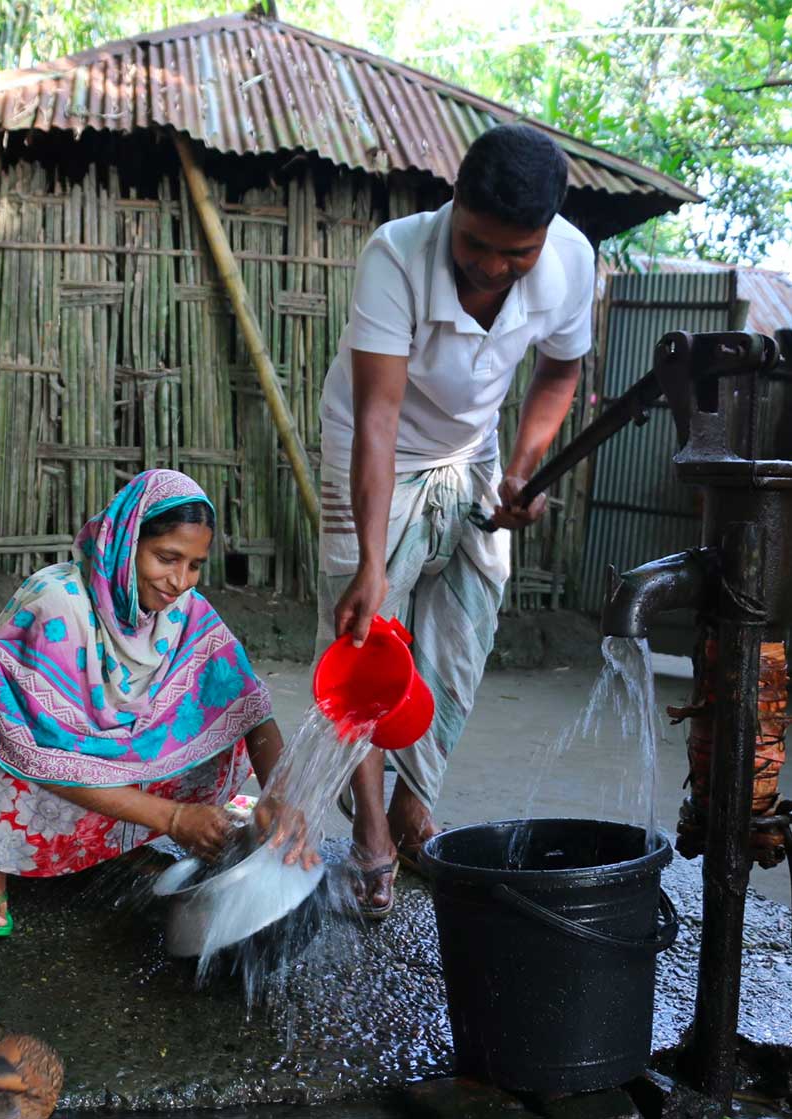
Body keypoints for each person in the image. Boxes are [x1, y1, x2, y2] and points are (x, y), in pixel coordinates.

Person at [316, 124, 596, 916]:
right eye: (478, 244)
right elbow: (377, 417)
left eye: (518, 253)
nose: (493, 267)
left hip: (474, 448)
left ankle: (415, 795)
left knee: (461, 637)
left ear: (544, 235)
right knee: (363, 642)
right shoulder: (396, 257)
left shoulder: (570, 258)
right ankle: (370, 827)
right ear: (455, 205)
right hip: (378, 447)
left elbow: (560, 368)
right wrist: (371, 562)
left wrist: (521, 467)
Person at [0, 469, 313, 936]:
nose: (180, 581)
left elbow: (252, 710)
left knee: (221, 723)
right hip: (44, 761)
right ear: (126, 542)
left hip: (107, 765)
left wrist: (282, 798)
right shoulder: (57, 602)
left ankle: (116, 844)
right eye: (167, 558)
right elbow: (42, 752)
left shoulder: (185, 611)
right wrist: (176, 818)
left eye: (195, 564)